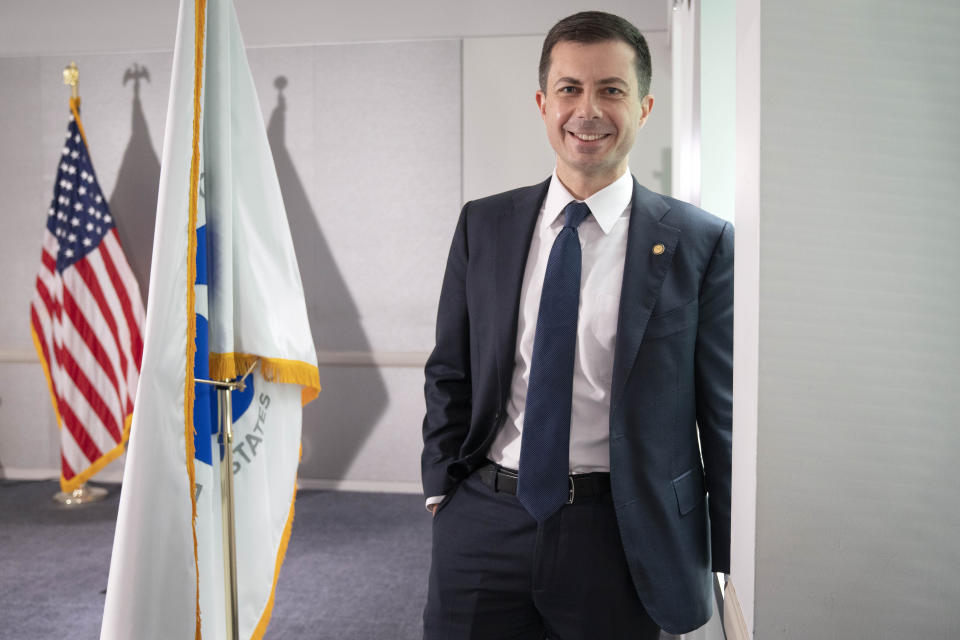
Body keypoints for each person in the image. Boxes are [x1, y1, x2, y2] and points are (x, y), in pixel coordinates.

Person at [421, 10, 732, 639]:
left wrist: (726, 552)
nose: (586, 110)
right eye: (569, 89)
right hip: (485, 521)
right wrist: (441, 492)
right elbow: (450, 367)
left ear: (644, 108)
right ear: (543, 103)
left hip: (618, 532)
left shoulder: (700, 243)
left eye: (611, 90)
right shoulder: (485, 225)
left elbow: (718, 411)